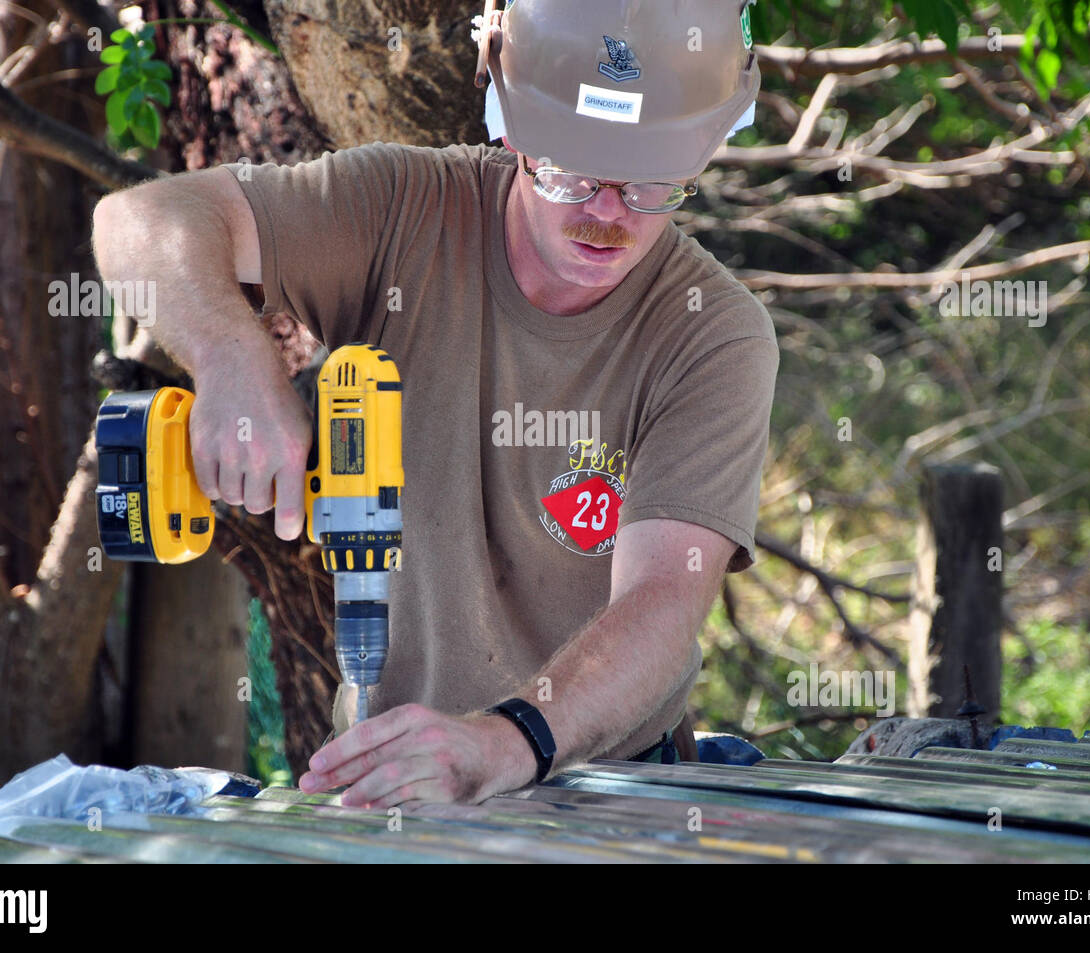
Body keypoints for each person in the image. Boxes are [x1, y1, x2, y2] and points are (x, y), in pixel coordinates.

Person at [92, 0, 777, 809]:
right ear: (508, 124)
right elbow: (137, 221)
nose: (605, 212)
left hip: (612, 788)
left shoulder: (714, 335)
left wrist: (506, 740)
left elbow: (663, 599)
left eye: (653, 182)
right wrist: (231, 356)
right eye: (568, 170)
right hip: (390, 786)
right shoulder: (403, 212)